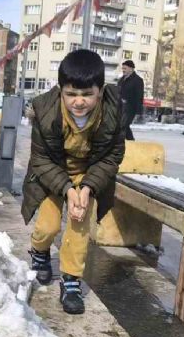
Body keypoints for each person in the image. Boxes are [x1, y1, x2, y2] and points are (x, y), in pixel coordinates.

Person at [22, 49, 125, 316]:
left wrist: (87, 188)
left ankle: (71, 280)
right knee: (48, 225)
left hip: (88, 174)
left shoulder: (112, 112)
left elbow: (113, 156)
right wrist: (66, 189)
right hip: (52, 172)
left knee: (78, 225)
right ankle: (39, 252)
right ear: (61, 91)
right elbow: (41, 160)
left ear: (99, 91)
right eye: (71, 94)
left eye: (87, 94)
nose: (79, 102)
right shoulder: (46, 112)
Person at [118, 59, 144, 141]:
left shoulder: (138, 80)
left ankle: (130, 141)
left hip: (130, 108)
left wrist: (138, 112)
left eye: (125, 68)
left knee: (124, 125)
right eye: (123, 68)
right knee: (121, 125)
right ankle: (129, 141)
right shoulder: (121, 80)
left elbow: (139, 97)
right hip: (120, 107)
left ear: (131, 69)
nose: (123, 70)